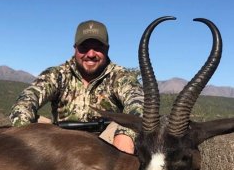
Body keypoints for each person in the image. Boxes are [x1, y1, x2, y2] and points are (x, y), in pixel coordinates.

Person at [9, 20, 144, 154]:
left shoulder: (120, 77)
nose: (91, 54)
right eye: (84, 47)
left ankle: (122, 169)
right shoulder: (58, 74)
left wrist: (125, 133)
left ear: (107, 49)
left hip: (107, 146)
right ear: (75, 48)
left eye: (97, 47)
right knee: (32, 124)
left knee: (126, 125)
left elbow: (138, 102)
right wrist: (24, 135)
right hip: (61, 142)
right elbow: (26, 99)